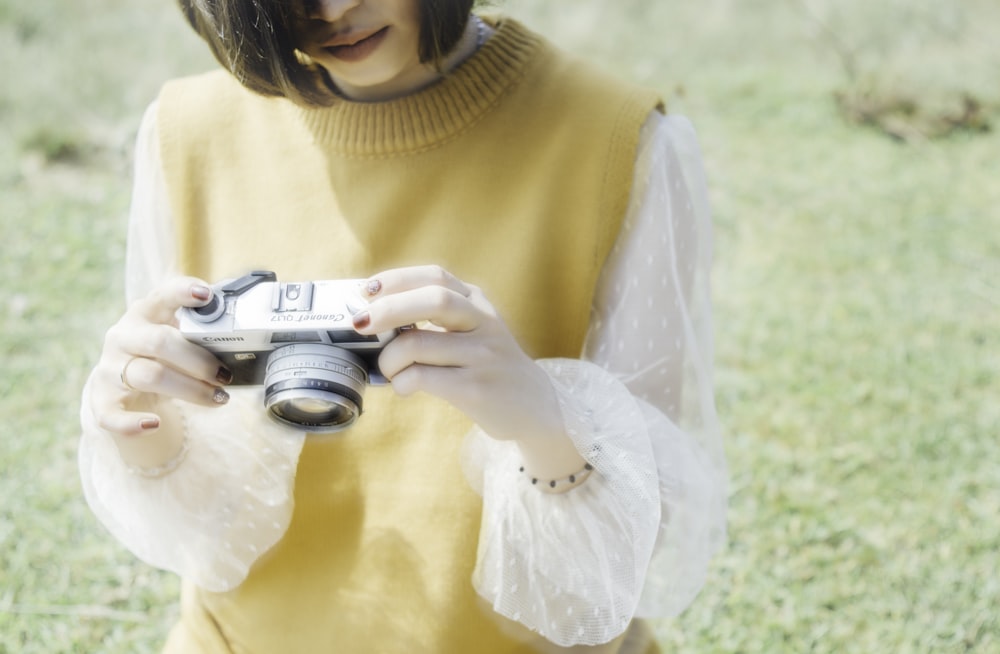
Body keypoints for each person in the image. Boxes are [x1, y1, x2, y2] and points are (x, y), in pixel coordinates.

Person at [79, 1, 727, 652]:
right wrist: (139, 428)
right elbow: (202, 533)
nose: (332, 10)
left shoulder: (620, 143)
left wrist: (542, 421)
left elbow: (639, 547)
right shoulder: (185, 132)